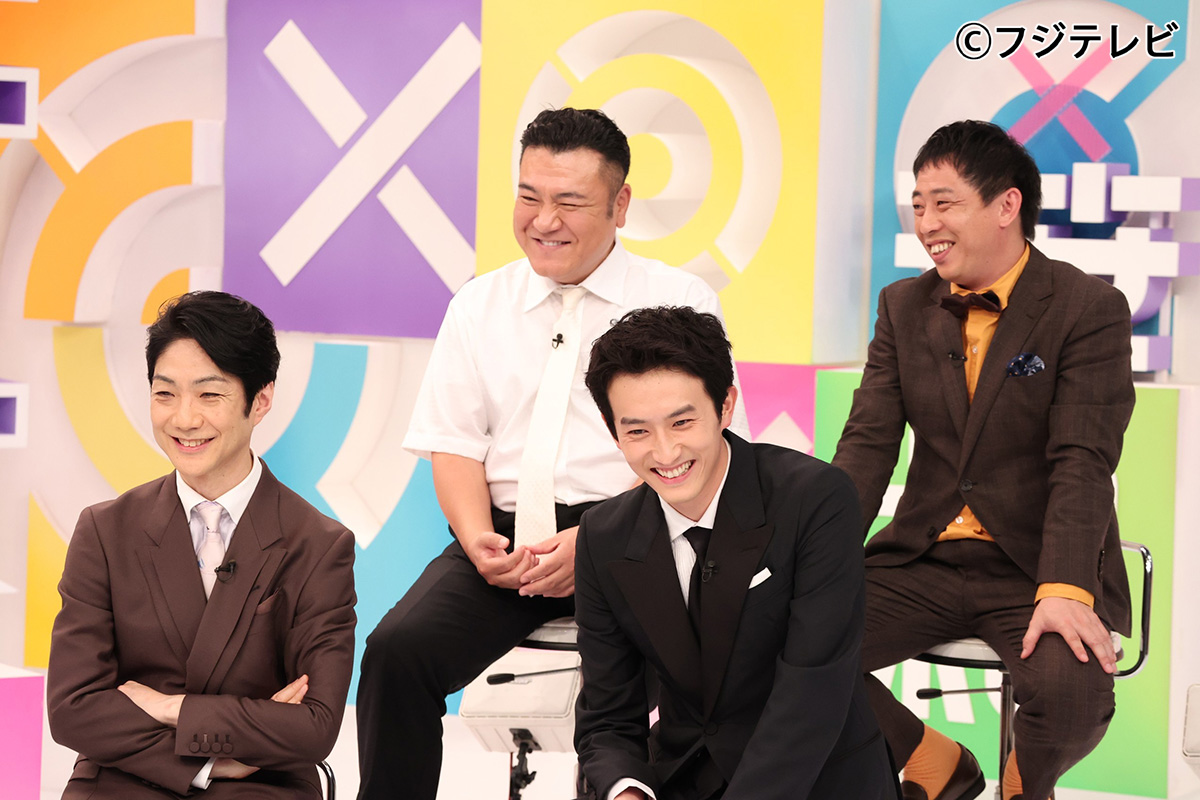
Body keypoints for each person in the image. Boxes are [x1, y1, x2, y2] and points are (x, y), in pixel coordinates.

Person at [355, 108, 746, 799]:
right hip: (509, 543)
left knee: (619, 709)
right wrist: (477, 540)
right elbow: (454, 444)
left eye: (569, 202)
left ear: (620, 205)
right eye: (529, 197)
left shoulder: (678, 300)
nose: (544, 221)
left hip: (640, 538)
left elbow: (699, 455)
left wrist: (597, 540)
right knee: (396, 652)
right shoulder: (480, 304)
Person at [833, 120, 1135, 800]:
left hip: (1033, 564)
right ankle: (933, 759)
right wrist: (817, 560)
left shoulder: (1087, 307)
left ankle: (1026, 780)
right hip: (923, 559)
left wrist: (1065, 586)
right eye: (918, 206)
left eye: (944, 203)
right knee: (771, 640)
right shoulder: (903, 306)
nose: (927, 223)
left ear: (1006, 205)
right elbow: (867, 444)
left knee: (1073, 691)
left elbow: (1083, 458)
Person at [574, 305, 897, 800]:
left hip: (816, 781)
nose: (665, 453)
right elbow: (607, 716)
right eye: (637, 431)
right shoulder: (603, 535)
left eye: (682, 422)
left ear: (725, 406)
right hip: (684, 778)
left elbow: (812, 694)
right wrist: (627, 791)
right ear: (611, 427)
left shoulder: (816, 498)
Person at [46, 291, 357, 799]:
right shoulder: (104, 531)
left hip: (261, 784)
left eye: (209, 395)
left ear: (260, 401)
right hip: (124, 778)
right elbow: (73, 709)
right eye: (165, 394)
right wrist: (210, 763)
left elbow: (314, 728)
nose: (184, 419)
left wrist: (172, 708)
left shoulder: (319, 544)